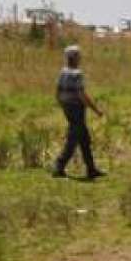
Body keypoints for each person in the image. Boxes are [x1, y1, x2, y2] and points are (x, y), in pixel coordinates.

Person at [53, 45, 105, 179]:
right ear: (76, 58)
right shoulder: (77, 74)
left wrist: (63, 105)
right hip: (77, 108)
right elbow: (81, 95)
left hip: (67, 107)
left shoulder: (63, 72)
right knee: (73, 139)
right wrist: (96, 110)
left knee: (84, 139)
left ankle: (91, 169)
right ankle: (59, 165)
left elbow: (57, 92)